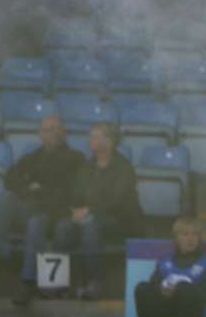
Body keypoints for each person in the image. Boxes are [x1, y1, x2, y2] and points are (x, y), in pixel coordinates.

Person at [0, 115, 84, 306]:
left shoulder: (76, 159)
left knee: (36, 221)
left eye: (55, 129)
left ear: (63, 133)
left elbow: (71, 192)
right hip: (31, 208)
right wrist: (28, 188)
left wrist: (40, 190)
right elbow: (10, 179)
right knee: (6, 198)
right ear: (40, 134)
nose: (51, 133)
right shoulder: (32, 157)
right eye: (47, 129)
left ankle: (27, 282)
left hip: (56, 214)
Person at [54, 121, 143, 299]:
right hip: (88, 216)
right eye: (90, 136)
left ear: (109, 141)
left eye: (95, 136)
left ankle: (96, 281)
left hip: (118, 220)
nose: (90, 140)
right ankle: (59, 283)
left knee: (90, 225)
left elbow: (117, 200)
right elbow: (76, 194)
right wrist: (74, 210)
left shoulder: (123, 168)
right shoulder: (87, 166)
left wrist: (88, 210)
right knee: (62, 227)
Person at [134, 216, 206, 317]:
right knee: (141, 288)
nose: (190, 239)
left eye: (195, 234)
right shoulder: (165, 261)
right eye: (185, 234)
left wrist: (181, 290)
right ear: (176, 238)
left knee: (184, 287)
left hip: (192, 312)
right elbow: (153, 284)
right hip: (165, 307)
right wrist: (162, 290)